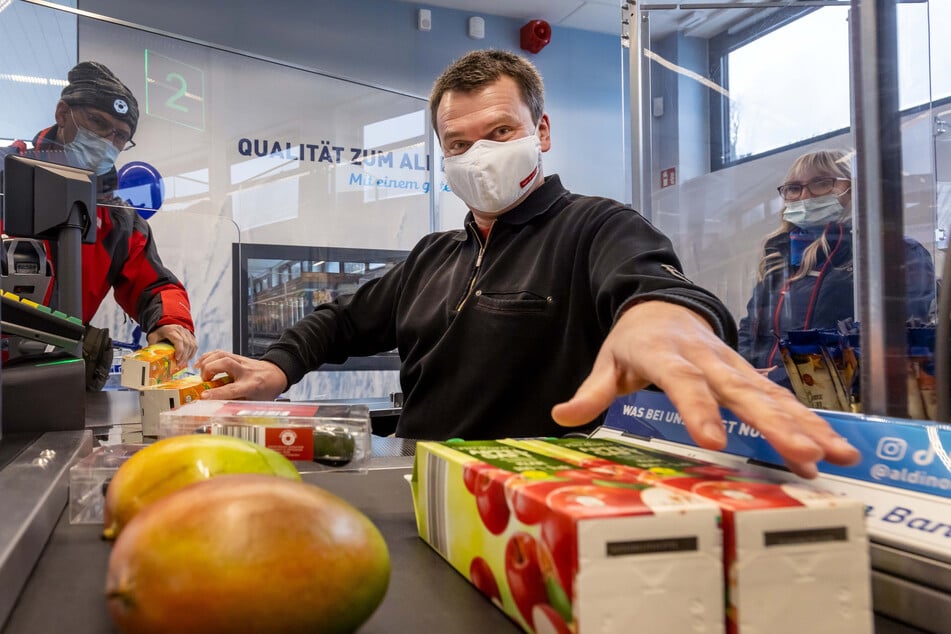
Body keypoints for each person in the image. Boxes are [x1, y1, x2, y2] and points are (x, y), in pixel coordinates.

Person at [197, 49, 860, 479]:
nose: (479, 153)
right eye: (458, 143)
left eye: (501, 132)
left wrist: (663, 319)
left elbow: (647, 281)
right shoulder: (434, 256)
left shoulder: (594, 226)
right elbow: (339, 322)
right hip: (421, 488)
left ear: (540, 133)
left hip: (538, 503)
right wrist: (276, 367)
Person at [3, 61, 198, 388]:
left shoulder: (118, 219)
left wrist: (170, 322)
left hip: (56, 380)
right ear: (62, 113)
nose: (107, 141)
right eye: (97, 122)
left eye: (120, 136)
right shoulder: (4, 178)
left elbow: (154, 285)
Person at [738, 149, 935, 380]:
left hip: (841, 400)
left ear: (854, 189)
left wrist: (783, 380)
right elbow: (750, 330)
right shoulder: (778, 255)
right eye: (793, 188)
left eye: (821, 183)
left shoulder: (894, 252)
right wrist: (742, 371)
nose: (804, 196)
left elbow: (897, 341)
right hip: (763, 395)